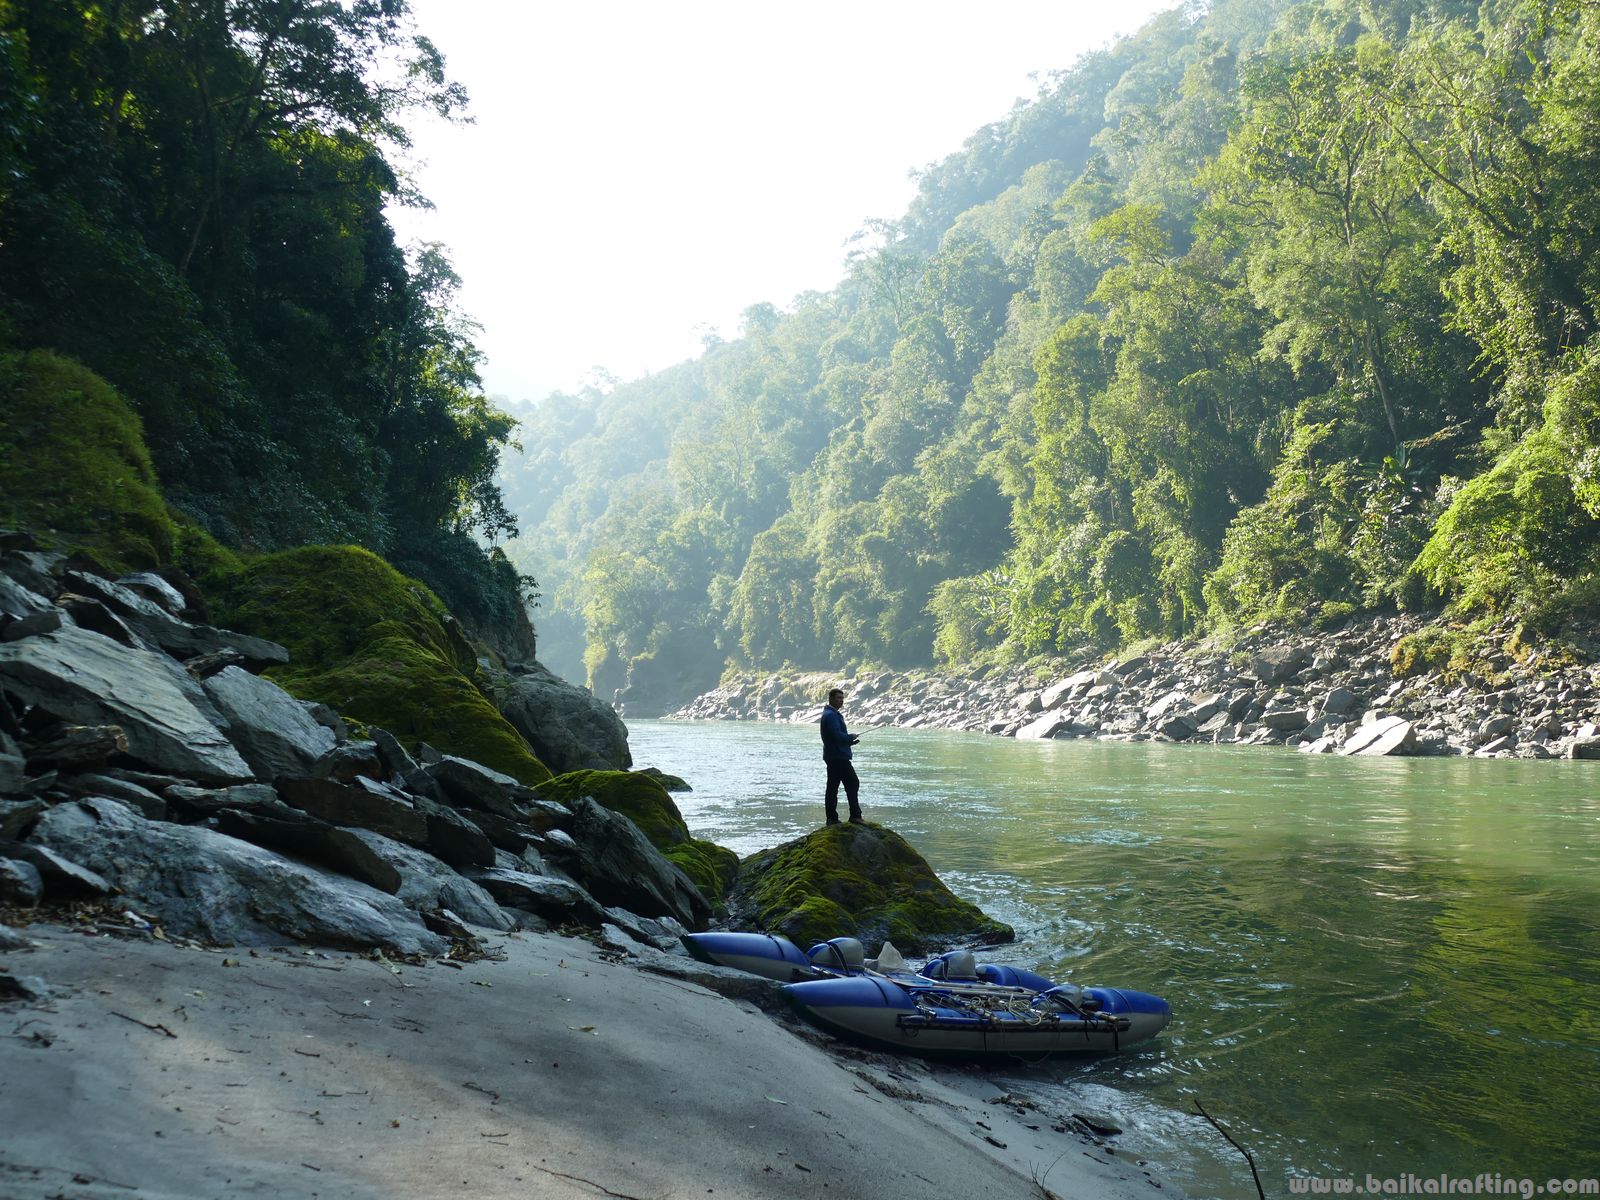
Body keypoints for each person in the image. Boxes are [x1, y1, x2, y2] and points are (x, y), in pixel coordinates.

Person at [819, 687, 863, 825]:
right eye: (838, 698)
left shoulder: (830, 714)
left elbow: (834, 739)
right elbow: (837, 736)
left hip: (834, 755)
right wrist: (850, 737)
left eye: (842, 698)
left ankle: (831, 818)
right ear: (831, 699)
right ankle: (855, 816)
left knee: (832, 787)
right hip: (838, 758)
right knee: (852, 783)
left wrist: (850, 742)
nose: (841, 701)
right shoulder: (831, 715)